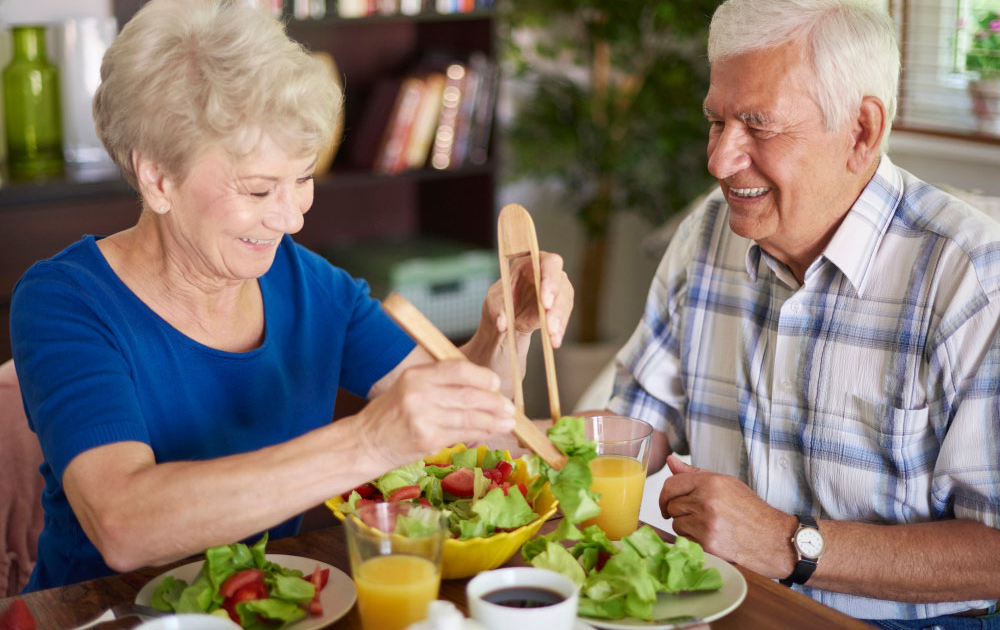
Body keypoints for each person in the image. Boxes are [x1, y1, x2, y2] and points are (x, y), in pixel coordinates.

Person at [9, 0, 573, 592]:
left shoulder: (310, 285)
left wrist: (504, 331)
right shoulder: (66, 300)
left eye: (302, 179)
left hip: (272, 602)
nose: (291, 219)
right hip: (100, 612)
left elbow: (470, 432)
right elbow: (123, 525)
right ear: (158, 178)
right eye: (258, 189)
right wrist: (370, 439)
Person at [607, 0, 1000, 626]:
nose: (719, 161)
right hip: (727, 608)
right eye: (716, 121)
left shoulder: (972, 281)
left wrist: (787, 542)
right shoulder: (706, 234)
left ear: (862, 131)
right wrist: (511, 369)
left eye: (758, 127)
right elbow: (636, 426)